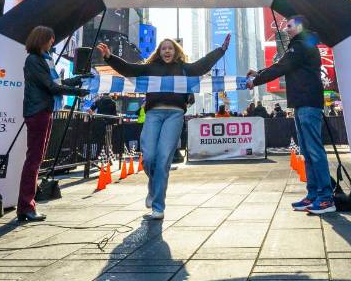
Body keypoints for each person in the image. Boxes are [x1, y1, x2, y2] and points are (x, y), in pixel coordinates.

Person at [97, 35, 229, 219]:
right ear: (159, 52)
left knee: (164, 159)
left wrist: (220, 50)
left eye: (171, 48)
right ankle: (153, 189)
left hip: (175, 115)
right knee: (149, 158)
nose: (167, 51)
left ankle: (158, 206)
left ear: (176, 51)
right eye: (164, 48)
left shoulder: (184, 69)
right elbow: (129, 69)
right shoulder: (150, 67)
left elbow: (202, 65)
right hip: (153, 114)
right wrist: (109, 57)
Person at [252, 16, 333, 215]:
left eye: (288, 26)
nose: (285, 29)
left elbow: (282, 66)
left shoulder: (302, 45)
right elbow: (283, 64)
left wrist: (255, 81)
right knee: (307, 151)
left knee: (314, 150)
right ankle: (313, 195)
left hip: (308, 103)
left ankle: (325, 198)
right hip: (301, 104)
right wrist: (259, 74)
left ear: (299, 26)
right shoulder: (300, 45)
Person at [19, 26, 85, 222]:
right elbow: (50, 86)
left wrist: (76, 81)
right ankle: (26, 206)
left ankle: (27, 205)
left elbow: (53, 83)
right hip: (37, 111)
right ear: (42, 40)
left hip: (42, 110)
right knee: (34, 159)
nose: (52, 42)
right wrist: (76, 91)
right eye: (50, 39)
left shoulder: (43, 60)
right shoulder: (34, 60)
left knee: (35, 159)